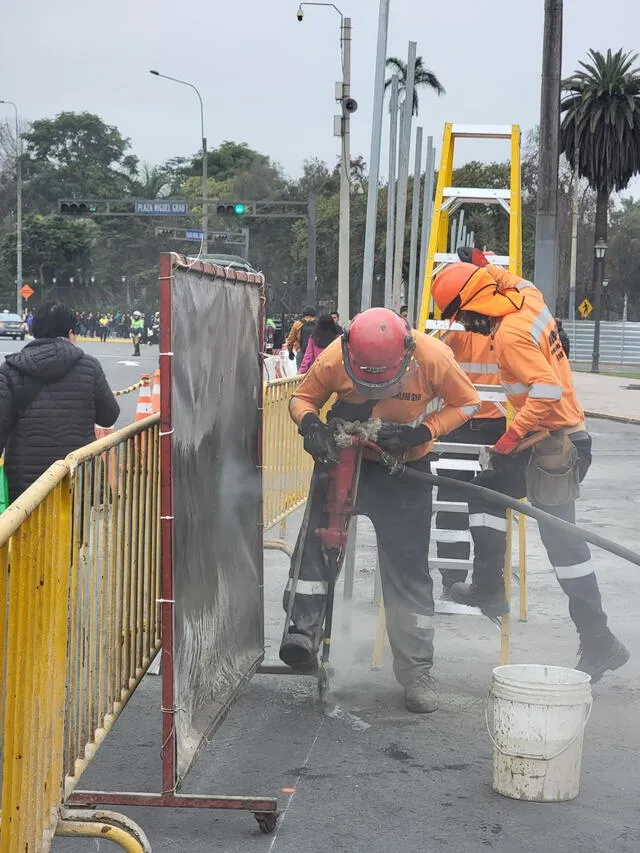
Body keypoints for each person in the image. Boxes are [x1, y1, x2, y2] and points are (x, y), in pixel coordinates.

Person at [432, 255, 629, 682]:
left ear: (476, 305)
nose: (466, 327)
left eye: (464, 317)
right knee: (489, 492)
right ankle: (490, 586)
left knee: (565, 549)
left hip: (556, 445)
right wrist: (481, 267)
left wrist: (508, 437)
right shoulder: (527, 298)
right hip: (552, 440)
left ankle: (600, 642)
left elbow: (546, 389)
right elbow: (507, 278)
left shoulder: (510, 336)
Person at [280, 307, 481, 713]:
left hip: (405, 469)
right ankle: (302, 633)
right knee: (316, 549)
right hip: (341, 460)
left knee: (406, 570)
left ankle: (417, 671)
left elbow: (468, 403)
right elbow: (302, 399)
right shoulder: (334, 356)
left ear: (405, 353)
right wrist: (311, 427)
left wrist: (422, 432)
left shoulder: (433, 358)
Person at [0, 302, 120, 503]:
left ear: (33, 330)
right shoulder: (89, 366)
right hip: (78, 476)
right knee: (74, 532)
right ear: (71, 333)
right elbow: (109, 416)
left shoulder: (11, 369)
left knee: (31, 532)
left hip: (26, 484)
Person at [435, 326, 506, 597]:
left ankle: (479, 583)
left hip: (489, 425)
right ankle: (455, 582)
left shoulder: (502, 325)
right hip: (464, 422)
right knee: (456, 508)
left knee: (487, 512)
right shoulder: (454, 324)